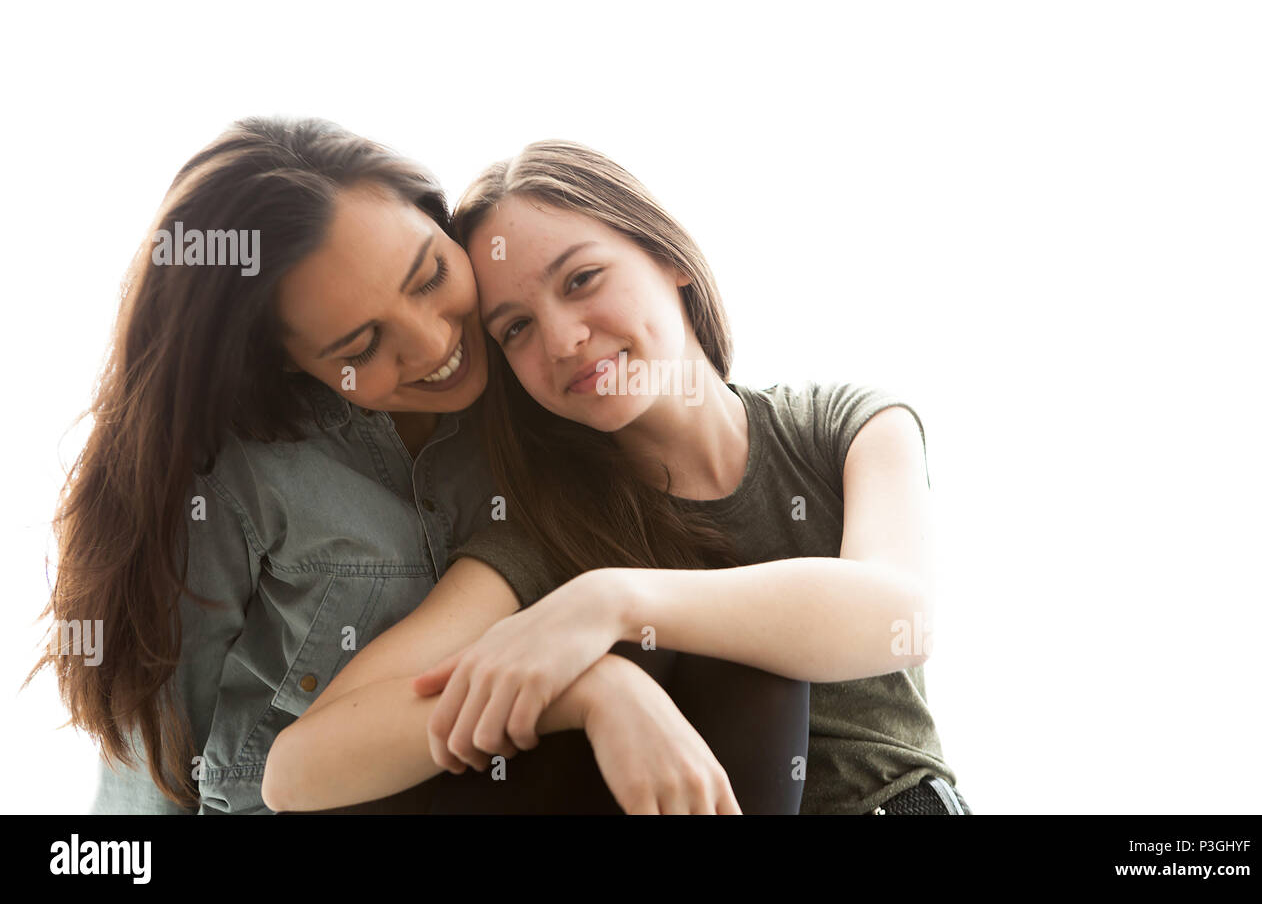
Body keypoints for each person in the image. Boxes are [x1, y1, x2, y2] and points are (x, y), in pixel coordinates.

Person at [29, 117, 804, 815]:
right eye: (361, 347)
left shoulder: (540, 385)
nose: (435, 345)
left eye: (431, 276)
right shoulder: (234, 484)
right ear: (289, 365)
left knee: (738, 652)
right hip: (317, 796)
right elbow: (153, 771)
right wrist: (595, 688)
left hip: (500, 785)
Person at [264, 141, 971, 815]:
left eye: (581, 280)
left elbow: (900, 619)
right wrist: (594, 689)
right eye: (515, 329)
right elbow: (297, 767)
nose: (565, 338)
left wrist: (612, 602)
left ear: (668, 257)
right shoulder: (548, 533)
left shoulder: (842, 427)